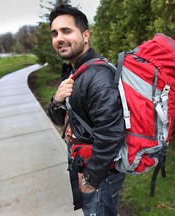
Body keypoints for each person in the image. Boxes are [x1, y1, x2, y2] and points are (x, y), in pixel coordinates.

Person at [48, 4, 126, 216]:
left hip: (100, 175)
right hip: (83, 163)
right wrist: (57, 99)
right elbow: (59, 118)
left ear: (85, 35)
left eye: (66, 31)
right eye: (54, 33)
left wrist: (90, 181)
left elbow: (111, 135)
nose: (59, 38)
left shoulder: (98, 77)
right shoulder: (71, 71)